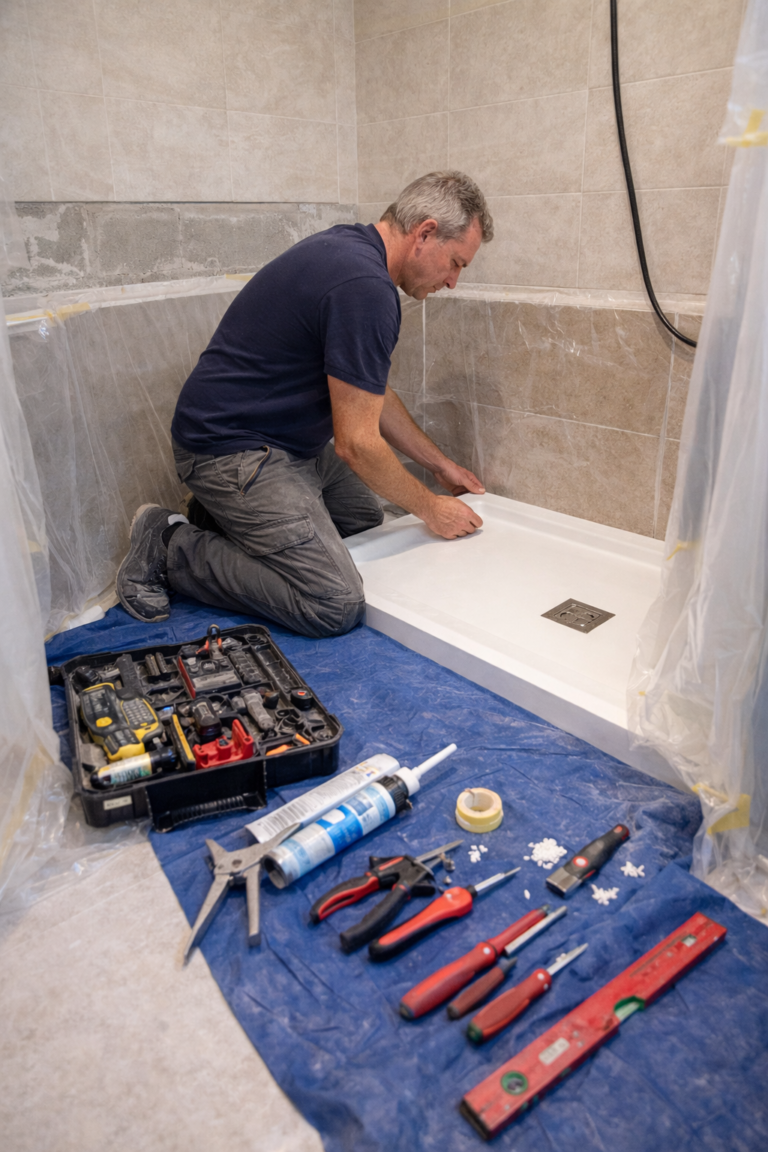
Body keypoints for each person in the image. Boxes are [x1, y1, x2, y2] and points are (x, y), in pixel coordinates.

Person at [116, 171, 494, 638]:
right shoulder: (365, 287)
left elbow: (370, 393)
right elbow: (356, 444)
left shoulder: (354, 252)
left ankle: (222, 519)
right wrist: (431, 508)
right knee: (332, 602)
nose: (453, 282)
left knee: (360, 522)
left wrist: (439, 466)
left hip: (282, 441)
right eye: (455, 263)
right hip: (229, 449)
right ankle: (171, 544)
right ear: (426, 233)